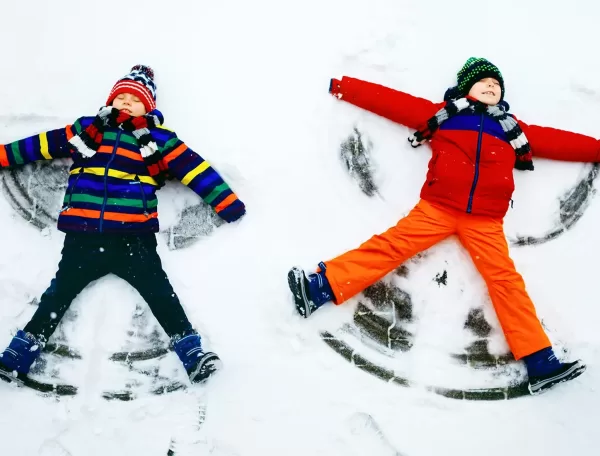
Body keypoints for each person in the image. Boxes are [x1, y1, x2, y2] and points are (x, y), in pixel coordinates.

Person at [288, 57, 597, 394]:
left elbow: (561, 141)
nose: (491, 87)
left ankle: (540, 362)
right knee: (391, 246)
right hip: (438, 208)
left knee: (505, 280)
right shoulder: (445, 117)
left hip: (485, 221)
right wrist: (347, 88)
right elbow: (393, 102)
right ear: (467, 88)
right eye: (484, 83)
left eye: (496, 84)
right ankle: (319, 287)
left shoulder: (513, 129)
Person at [0, 65, 245, 384]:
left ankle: (192, 352)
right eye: (121, 96)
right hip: (83, 235)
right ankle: (20, 353)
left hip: (133, 237)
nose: (126, 102)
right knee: (58, 294)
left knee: (160, 293)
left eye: (135, 99)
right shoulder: (88, 131)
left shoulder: (159, 141)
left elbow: (195, 170)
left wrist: (226, 202)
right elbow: (40, 144)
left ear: (149, 108)